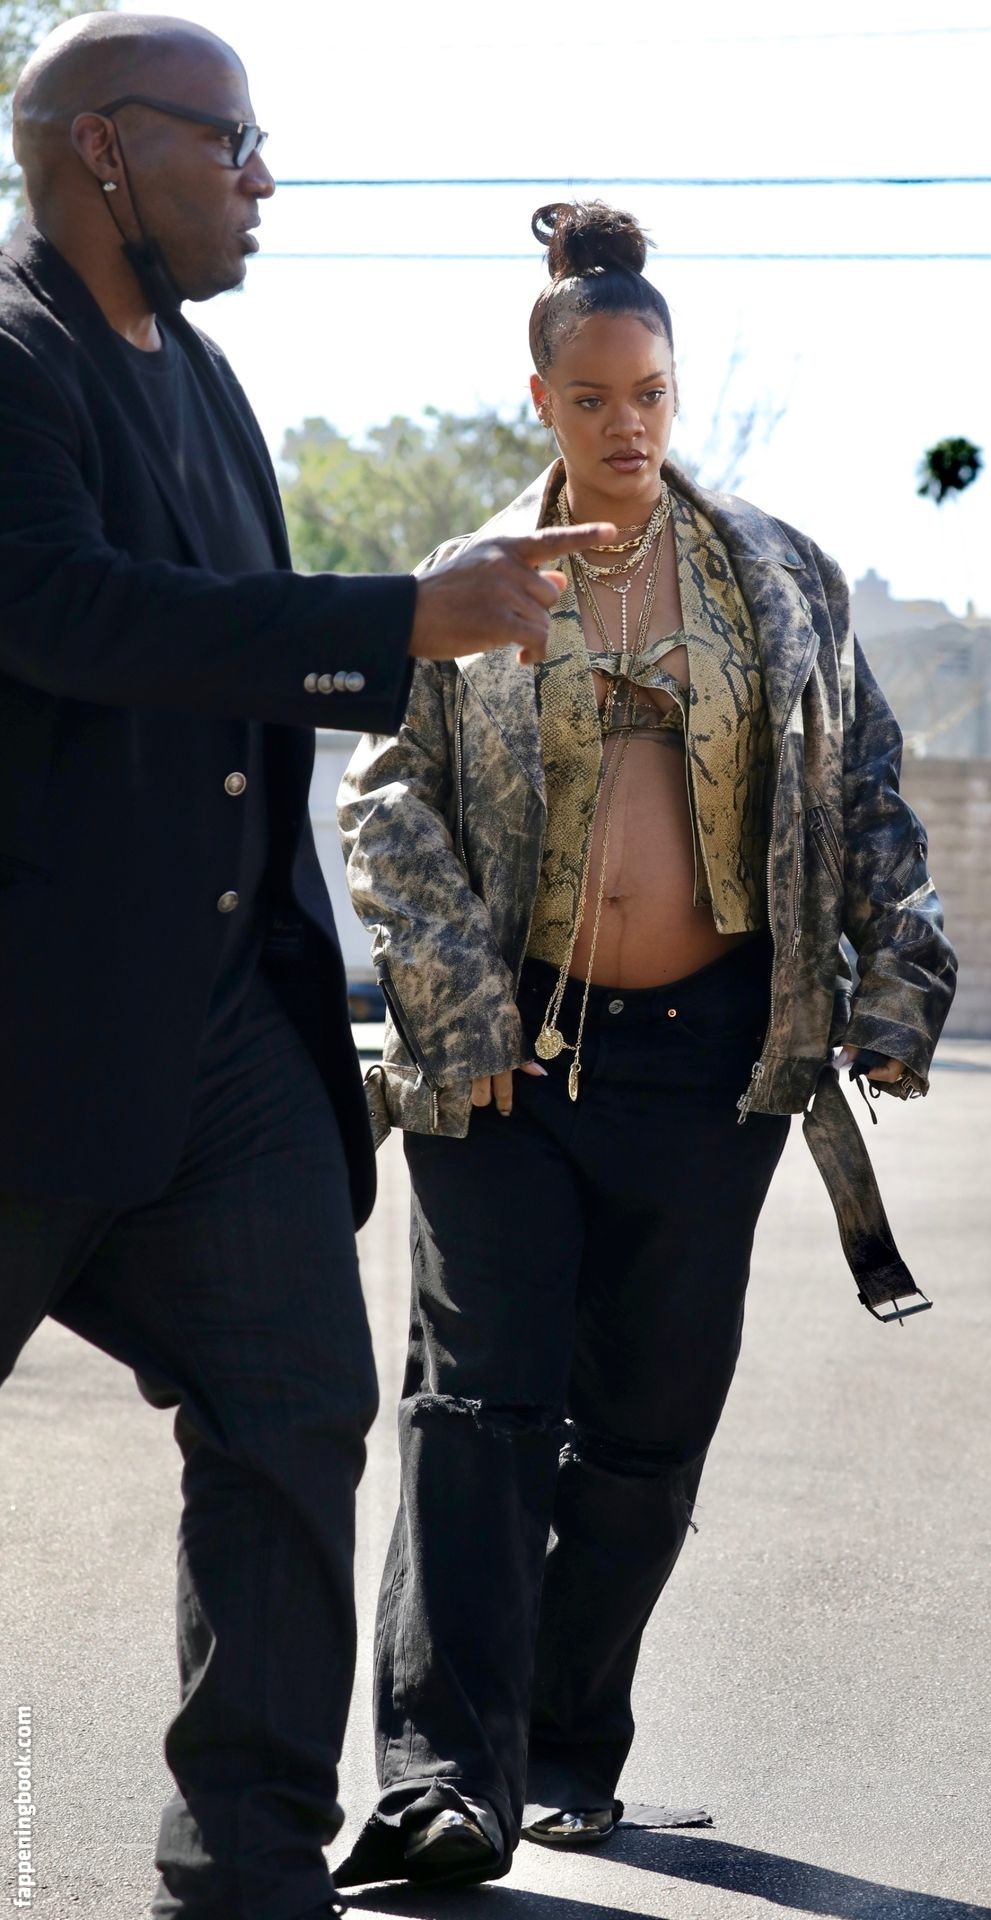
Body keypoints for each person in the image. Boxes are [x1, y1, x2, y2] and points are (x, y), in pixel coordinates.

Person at [0, 19, 609, 1920]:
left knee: (293, 1418)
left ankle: (245, 1870)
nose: (264, 180)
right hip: (26, 1040)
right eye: (236, 142)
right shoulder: (7, 357)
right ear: (105, 150)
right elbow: (66, 611)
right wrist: (396, 618)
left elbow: (242, 677)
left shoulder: (208, 381)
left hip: (220, 1041)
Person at [333, 200, 958, 1894]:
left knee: (647, 1432)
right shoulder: (473, 578)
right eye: (595, 397)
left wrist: (898, 981)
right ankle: (445, 1779)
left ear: (676, 392)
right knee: (477, 1412)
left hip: (713, 1062)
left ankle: (562, 1743)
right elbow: (386, 802)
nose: (628, 425)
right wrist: (454, 1003)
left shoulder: (777, 575)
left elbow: (862, 783)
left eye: (653, 395)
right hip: (507, 1061)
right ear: (540, 397)